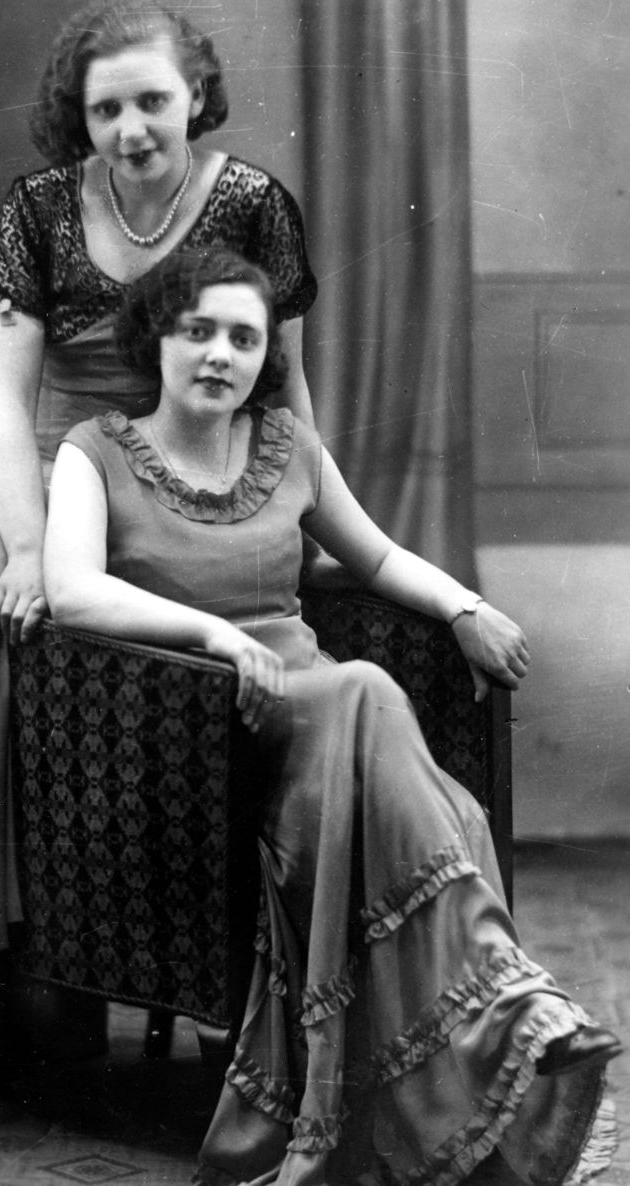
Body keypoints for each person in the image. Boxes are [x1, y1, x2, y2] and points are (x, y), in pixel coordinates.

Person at [43, 247, 622, 1186]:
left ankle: (503, 1024)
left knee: (366, 700)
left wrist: (465, 609)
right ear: (156, 340)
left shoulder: (288, 447)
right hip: (192, 734)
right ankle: (512, 1009)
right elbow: (71, 590)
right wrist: (216, 636)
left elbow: (379, 558)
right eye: (198, 331)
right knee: (366, 690)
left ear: (265, 355)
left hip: (319, 726)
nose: (220, 354)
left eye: (244, 338)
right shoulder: (93, 451)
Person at [0, 0, 317, 1080]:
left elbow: (285, 387)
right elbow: (6, 405)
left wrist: (307, 513)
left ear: (196, 94)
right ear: (78, 116)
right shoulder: (41, 206)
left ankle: (10, 954)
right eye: (106, 110)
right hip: (21, 452)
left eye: (152, 101)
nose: (131, 129)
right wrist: (21, 544)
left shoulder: (252, 204)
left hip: (148, 451)